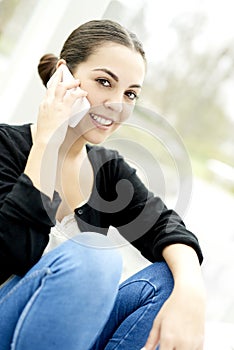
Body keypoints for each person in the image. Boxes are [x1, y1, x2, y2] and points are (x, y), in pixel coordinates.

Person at [0, 19, 206, 350]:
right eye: (104, 82)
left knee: (171, 277)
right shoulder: (5, 146)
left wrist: (192, 292)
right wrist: (47, 144)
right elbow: (14, 252)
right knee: (96, 256)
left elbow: (168, 229)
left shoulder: (109, 170)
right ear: (63, 75)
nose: (117, 104)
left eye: (130, 93)